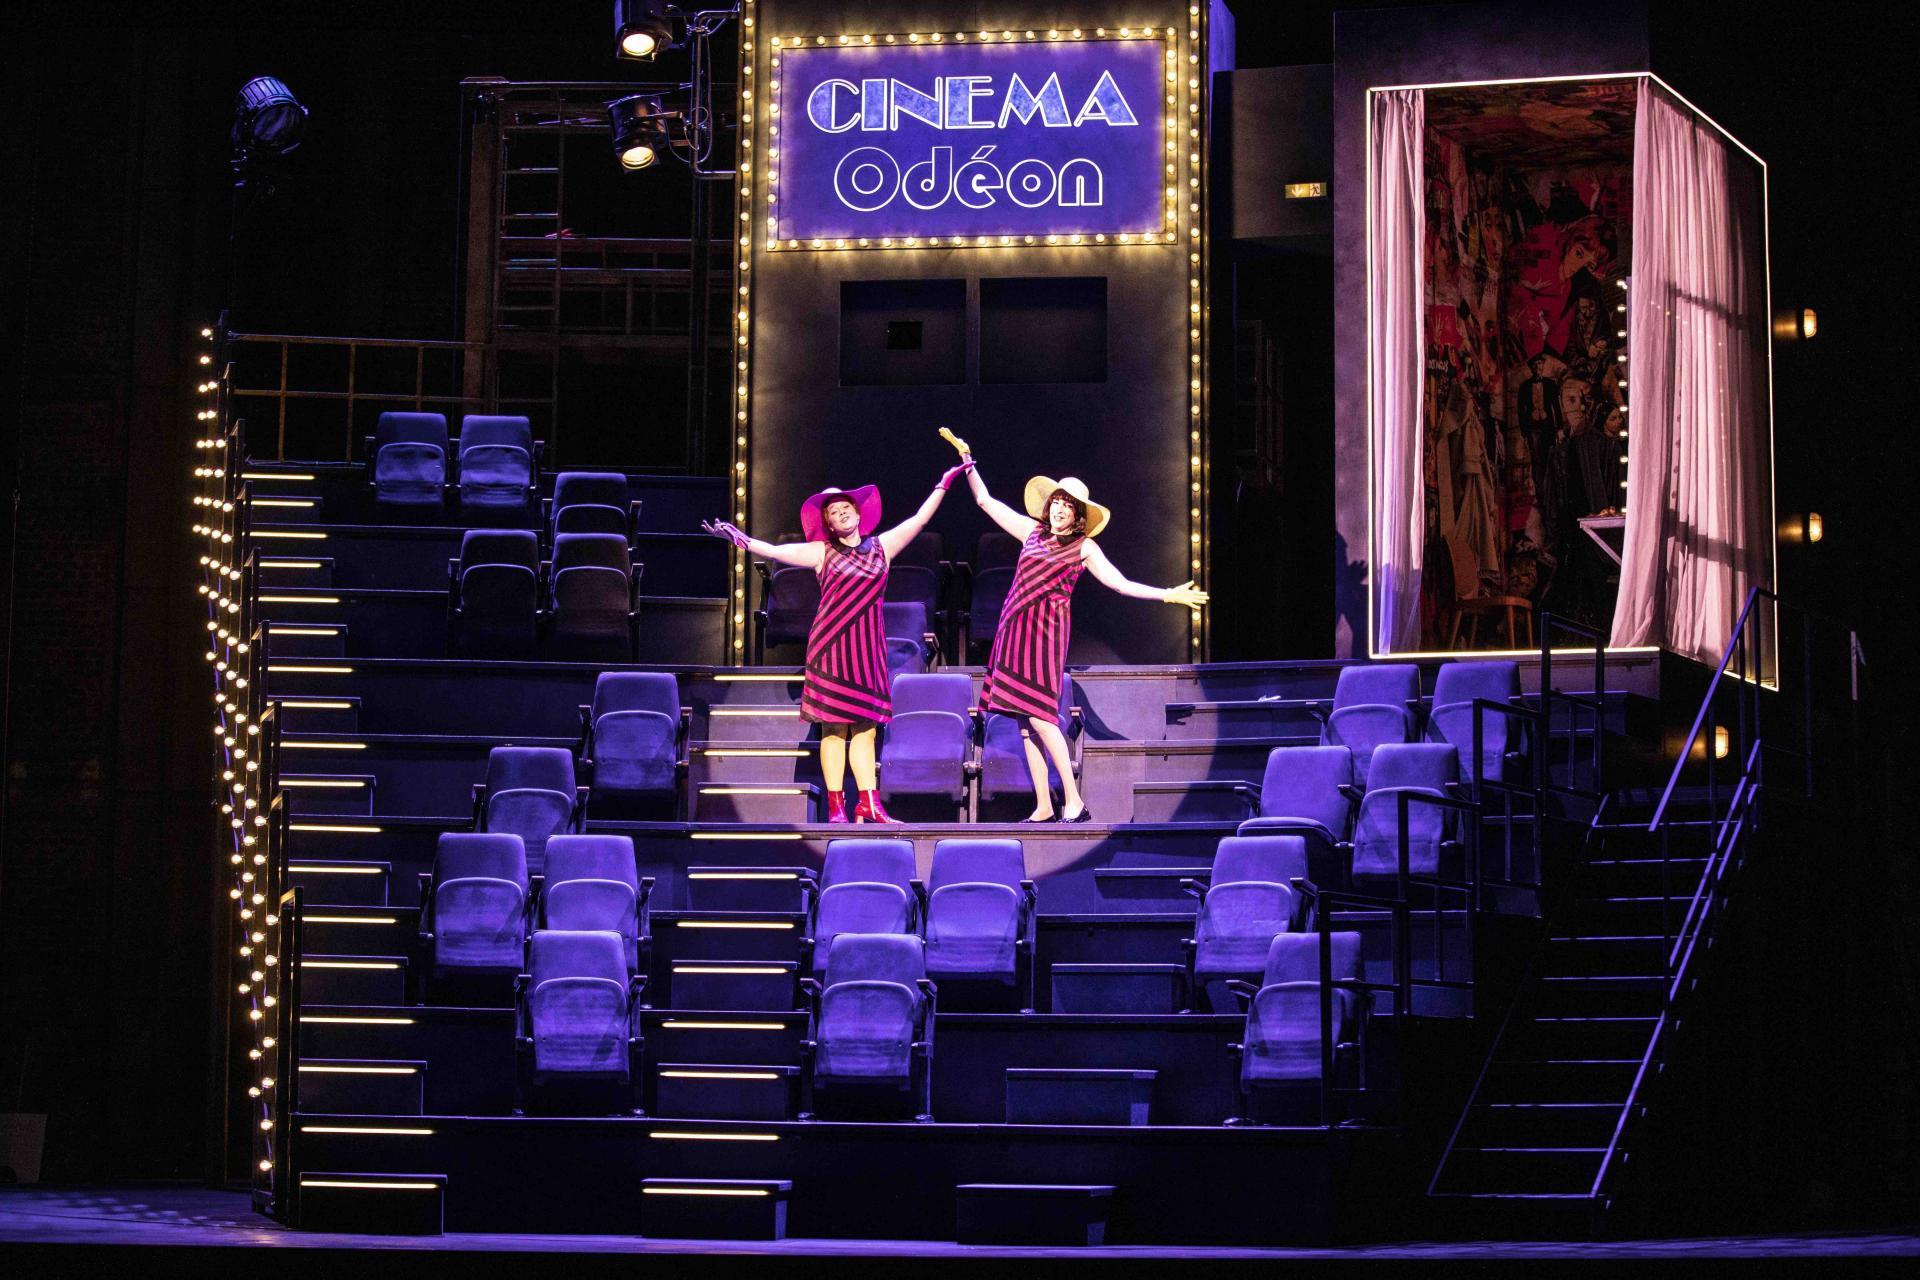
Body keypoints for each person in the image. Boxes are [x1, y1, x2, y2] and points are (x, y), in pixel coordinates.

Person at [703, 462, 971, 823]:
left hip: (868, 651)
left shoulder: (882, 547)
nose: (842, 513)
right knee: (833, 728)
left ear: (858, 514)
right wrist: (742, 540)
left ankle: (869, 803)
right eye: (834, 511)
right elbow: (774, 552)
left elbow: (919, 520)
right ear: (828, 523)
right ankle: (835, 807)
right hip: (831, 650)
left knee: (865, 727)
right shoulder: (821, 552)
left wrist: (942, 484)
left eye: (846, 507)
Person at [961, 458, 1208, 823]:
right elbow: (985, 501)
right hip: (1011, 634)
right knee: (1023, 724)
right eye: (1057, 502)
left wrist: (1166, 594)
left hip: (1043, 639)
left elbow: (1119, 583)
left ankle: (1074, 801)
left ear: (1078, 515)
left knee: (1042, 718)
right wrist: (968, 462)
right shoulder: (1031, 532)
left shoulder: (1084, 547)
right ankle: (1044, 804)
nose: (1060, 509)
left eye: (1068, 505)